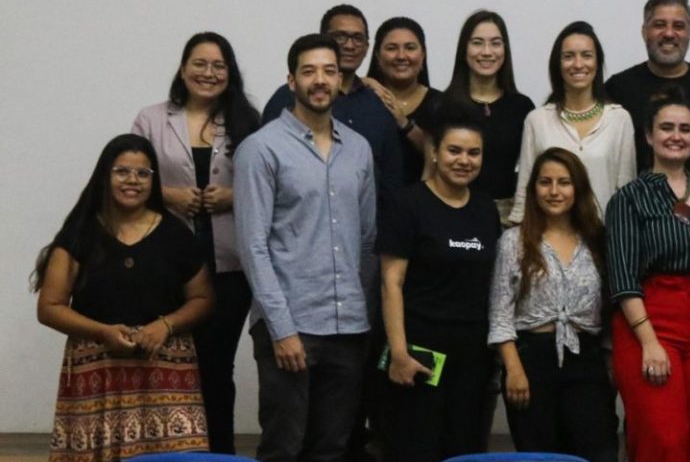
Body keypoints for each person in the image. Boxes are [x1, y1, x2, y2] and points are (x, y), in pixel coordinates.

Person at [237, 34, 376, 462]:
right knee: (283, 448)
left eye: (330, 71)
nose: (321, 80)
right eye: (309, 71)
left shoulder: (359, 149)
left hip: (349, 328)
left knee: (332, 448)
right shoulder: (261, 148)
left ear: (341, 80)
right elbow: (253, 246)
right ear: (291, 80)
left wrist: (363, 313)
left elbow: (367, 241)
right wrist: (282, 328)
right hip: (292, 325)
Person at [35, 134, 214, 462]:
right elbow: (49, 307)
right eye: (122, 171)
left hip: (167, 372)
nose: (132, 180)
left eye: (143, 173)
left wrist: (165, 326)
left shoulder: (176, 235)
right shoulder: (80, 234)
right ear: (105, 175)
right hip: (97, 374)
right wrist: (102, 332)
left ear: (154, 180)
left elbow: (203, 298)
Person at [130, 31, 260, 454]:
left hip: (230, 266)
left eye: (218, 65)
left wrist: (233, 196)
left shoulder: (247, 121)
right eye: (199, 64)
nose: (208, 73)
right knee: (168, 365)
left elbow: (272, 187)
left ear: (230, 73)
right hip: (166, 266)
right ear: (183, 69)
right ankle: (168, 452)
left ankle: (217, 453)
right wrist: (168, 195)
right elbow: (127, 178)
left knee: (216, 368)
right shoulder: (151, 119)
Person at [606, 87, 690, 462]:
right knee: (664, 437)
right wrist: (649, 342)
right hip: (649, 321)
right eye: (667, 128)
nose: (676, 136)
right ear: (648, 135)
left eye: (685, 129)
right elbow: (623, 278)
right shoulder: (628, 198)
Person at [377, 110, 501, 462]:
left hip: (474, 356)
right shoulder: (406, 204)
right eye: (454, 151)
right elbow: (391, 282)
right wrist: (399, 354)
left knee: (465, 448)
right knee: (416, 448)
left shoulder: (484, 207)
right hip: (421, 352)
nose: (463, 160)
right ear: (434, 152)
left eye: (473, 153)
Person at [490, 148, 618, 462]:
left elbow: (609, 307)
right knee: (541, 455)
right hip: (532, 359)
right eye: (545, 182)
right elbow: (500, 312)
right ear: (533, 188)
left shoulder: (597, 240)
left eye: (564, 182)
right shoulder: (514, 241)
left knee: (599, 451)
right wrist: (514, 370)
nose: (554, 191)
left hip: (586, 359)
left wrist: (611, 361)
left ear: (578, 188)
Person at [261, 4, 405, 194]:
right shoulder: (289, 97)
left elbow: (392, 179)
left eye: (357, 38)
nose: (349, 45)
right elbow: (264, 167)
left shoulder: (377, 103)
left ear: (367, 47)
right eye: (340, 37)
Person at [510, 21, 637, 223]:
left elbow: (627, 195)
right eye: (568, 56)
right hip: (547, 241)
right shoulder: (537, 120)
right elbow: (524, 195)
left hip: (602, 241)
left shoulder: (619, 120)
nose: (578, 64)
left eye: (586, 55)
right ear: (557, 64)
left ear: (597, 62)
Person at [606, 0, 690, 185]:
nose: (668, 33)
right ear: (644, 31)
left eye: (679, 26)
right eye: (659, 25)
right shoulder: (618, 90)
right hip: (637, 212)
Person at [441, 10, 536, 223]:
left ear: (505, 49)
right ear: (464, 49)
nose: (487, 52)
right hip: (452, 212)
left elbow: (529, 172)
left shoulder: (522, 107)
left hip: (506, 217)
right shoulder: (443, 105)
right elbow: (430, 171)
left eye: (495, 43)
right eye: (477, 43)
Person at [362, 16, 441, 184]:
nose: (401, 56)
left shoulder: (441, 104)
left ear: (423, 55)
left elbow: (443, 155)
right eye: (391, 48)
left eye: (410, 48)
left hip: (421, 206)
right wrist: (358, 83)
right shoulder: (362, 99)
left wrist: (404, 122)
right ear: (377, 56)